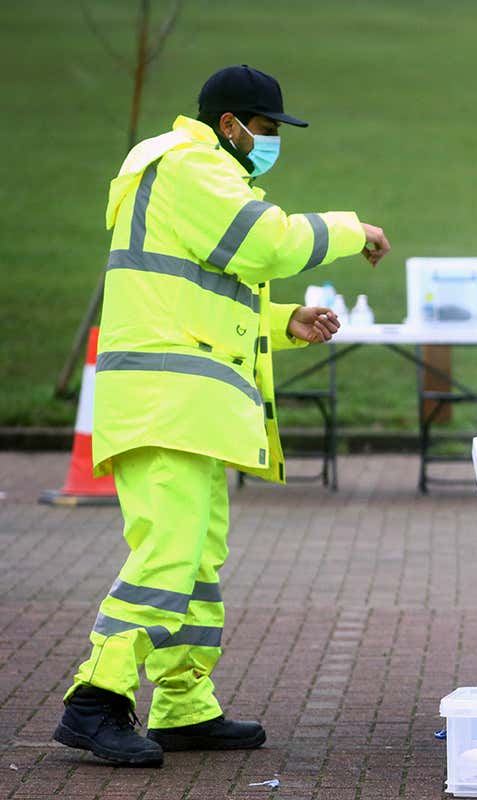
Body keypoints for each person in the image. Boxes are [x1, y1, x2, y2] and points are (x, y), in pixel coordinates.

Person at [53, 64, 392, 766]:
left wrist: (283, 318)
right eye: (266, 130)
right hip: (164, 402)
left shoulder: (203, 175)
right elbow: (267, 242)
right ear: (230, 123)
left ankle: (183, 704)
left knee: (196, 562)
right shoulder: (189, 167)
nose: (271, 143)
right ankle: (96, 698)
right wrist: (349, 229)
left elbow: (202, 301)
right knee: (167, 558)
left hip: (185, 405)